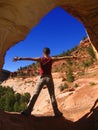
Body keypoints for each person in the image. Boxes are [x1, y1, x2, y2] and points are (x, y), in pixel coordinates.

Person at [13, 47, 76, 117]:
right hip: (49, 78)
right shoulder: (51, 59)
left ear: (43, 53)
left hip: (42, 78)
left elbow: (30, 58)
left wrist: (19, 58)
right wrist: (72, 57)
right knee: (52, 95)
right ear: (49, 52)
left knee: (35, 94)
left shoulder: (40, 59)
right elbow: (63, 57)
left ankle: (28, 111)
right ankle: (57, 112)